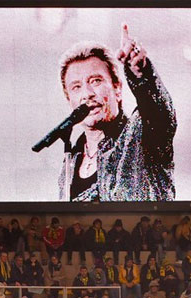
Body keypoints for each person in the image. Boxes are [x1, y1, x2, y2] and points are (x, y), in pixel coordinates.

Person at [55, 27, 176, 201]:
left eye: (95, 81)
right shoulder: (71, 160)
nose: (87, 93)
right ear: (69, 101)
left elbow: (159, 113)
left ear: (117, 89)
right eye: (76, 87)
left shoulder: (141, 135)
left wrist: (141, 75)